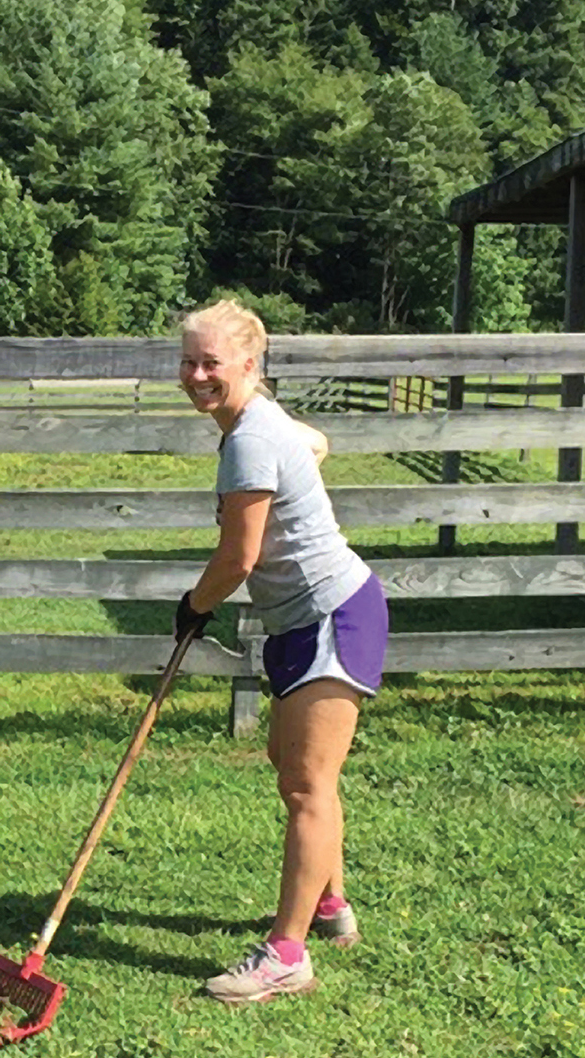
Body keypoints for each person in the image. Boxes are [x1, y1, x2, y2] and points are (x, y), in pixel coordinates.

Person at [172, 298, 389, 1004]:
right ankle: (330, 907)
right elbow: (316, 441)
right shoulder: (261, 424)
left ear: (249, 365)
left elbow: (240, 556)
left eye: (212, 362)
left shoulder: (250, 439)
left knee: (306, 785)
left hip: (334, 615)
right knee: (299, 773)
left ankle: (286, 954)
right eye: (189, 361)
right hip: (305, 620)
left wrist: (194, 605)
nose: (198, 374)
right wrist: (304, 450)